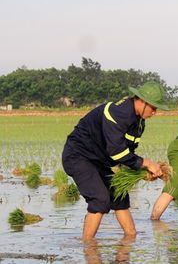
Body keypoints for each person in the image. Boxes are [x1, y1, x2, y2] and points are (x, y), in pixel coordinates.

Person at [62, 81, 168, 240]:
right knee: (100, 199)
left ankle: (130, 239)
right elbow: (116, 152)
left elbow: (127, 153)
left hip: (101, 159)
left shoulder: (139, 123)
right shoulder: (119, 113)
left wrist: (142, 172)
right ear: (142, 101)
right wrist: (147, 163)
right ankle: (88, 248)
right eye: (153, 107)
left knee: (120, 195)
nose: (155, 112)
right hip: (79, 155)